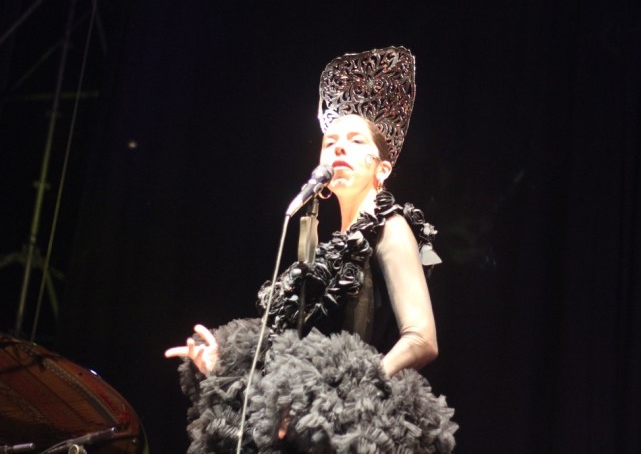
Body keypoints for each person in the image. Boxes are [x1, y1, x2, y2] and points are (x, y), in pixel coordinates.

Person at [165, 47, 457, 453]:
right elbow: (292, 359)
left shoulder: (390, 228)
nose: (339, 148)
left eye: (355, 141)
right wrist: (221, 367)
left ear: (382, 169)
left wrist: (345, 399)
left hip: (356, 428)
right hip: (307, 430)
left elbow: (422, 340)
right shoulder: (324, 252)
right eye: (330, 141)